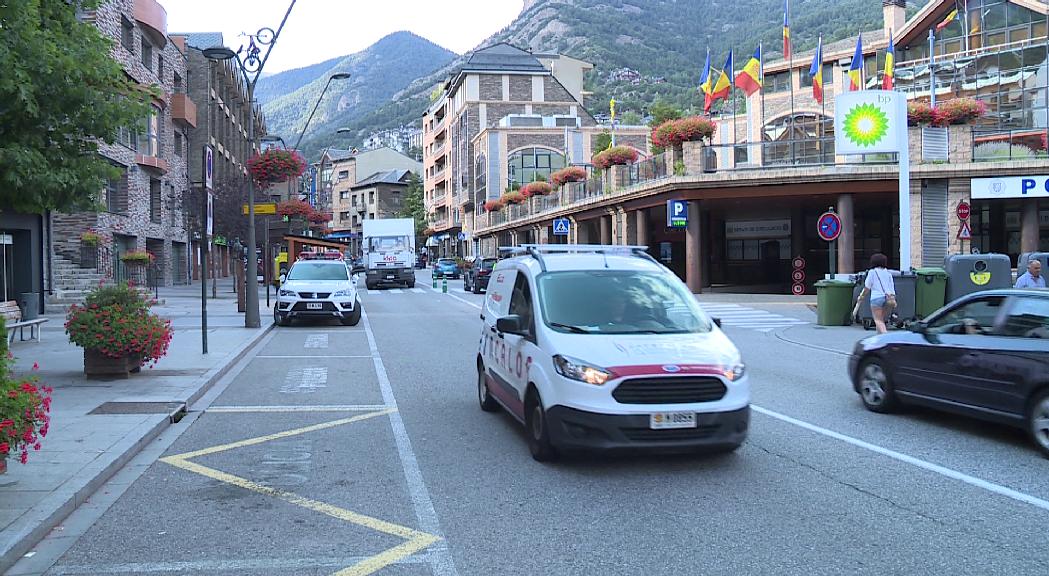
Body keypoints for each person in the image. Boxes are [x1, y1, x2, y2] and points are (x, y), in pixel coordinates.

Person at [859, 253, 896, 334]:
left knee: (878, 320)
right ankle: (879, 339)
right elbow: (892, 288)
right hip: (888, 299)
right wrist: (893, 299)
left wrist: (861, 296)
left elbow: (867, 287)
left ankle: (885, 336)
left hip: (876, 298)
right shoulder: (888, 273)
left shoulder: (872, 272)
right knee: (881, 320)